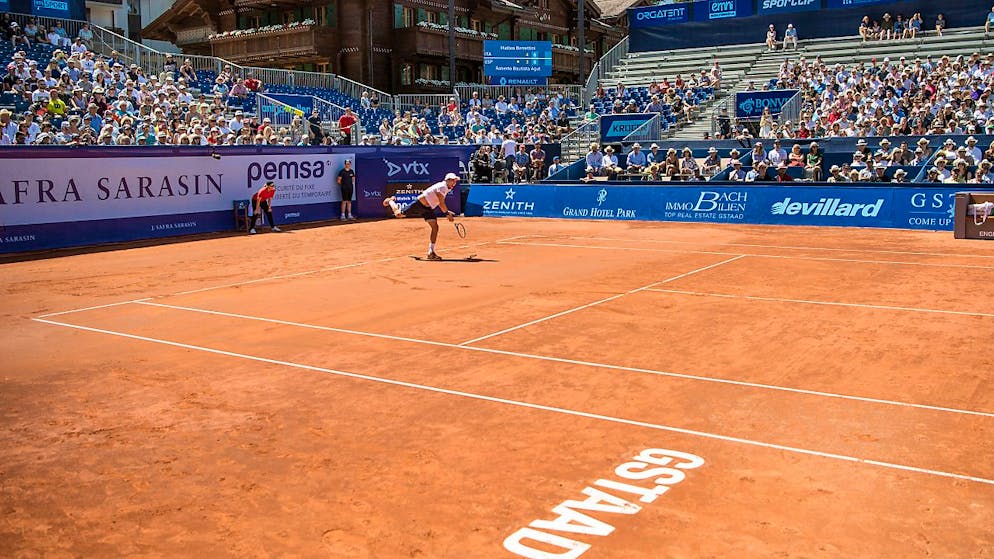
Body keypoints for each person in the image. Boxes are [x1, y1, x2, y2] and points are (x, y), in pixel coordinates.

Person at [382, 173, 460, 260]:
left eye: (455, 181)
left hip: (428, 208)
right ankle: (391, 201)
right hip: (419, 204)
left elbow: (437, 201)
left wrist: (447, 211)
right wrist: (446, 213)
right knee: (398, 214)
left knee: (435, 227)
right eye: (453, 180)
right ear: (447, 180)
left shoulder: (446, 188)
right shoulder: (442, 186)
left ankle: (431, 252)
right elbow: (441, 202)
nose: (454, 182)